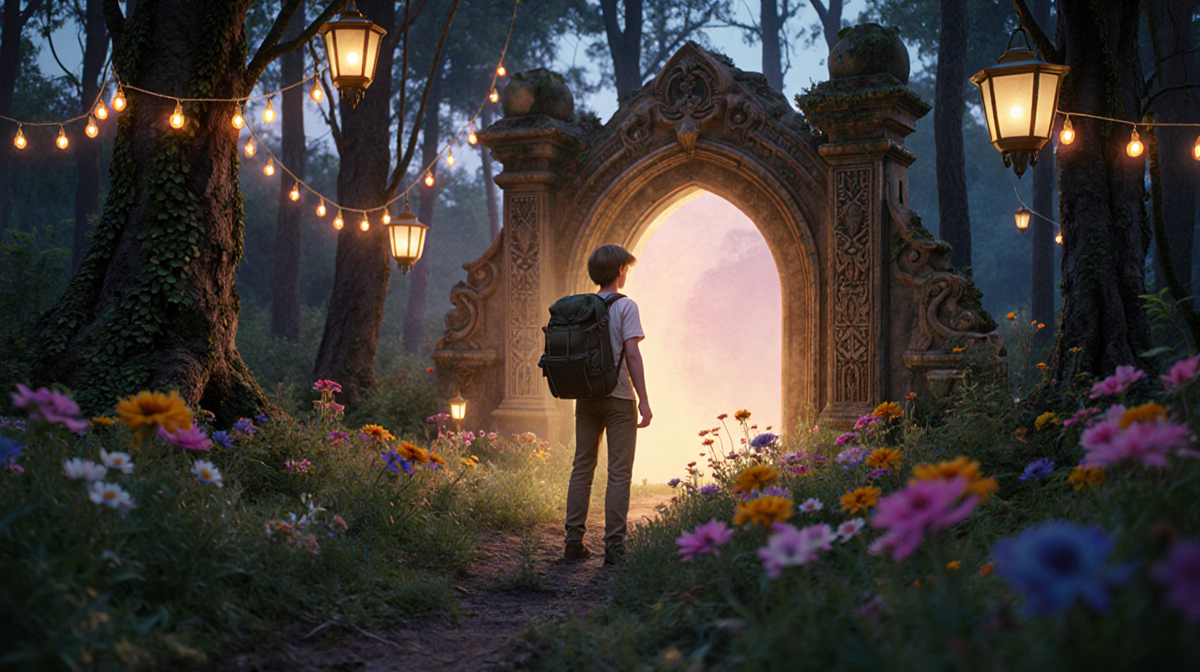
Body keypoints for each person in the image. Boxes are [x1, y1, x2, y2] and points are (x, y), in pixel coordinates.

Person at [564, 244, 652, 565]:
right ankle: (614, 547)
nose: (626, 272)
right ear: (619, 270)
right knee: (619, 472)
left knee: (582, 467)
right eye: (625, 268)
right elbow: (631, 354)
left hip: (585, 397)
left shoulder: (580, 306)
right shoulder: (626, 306)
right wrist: (644, 400)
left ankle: (573, 541)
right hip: (618, 398)